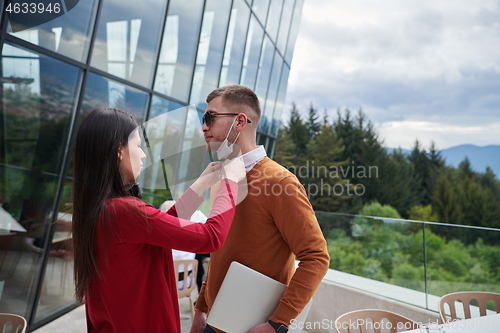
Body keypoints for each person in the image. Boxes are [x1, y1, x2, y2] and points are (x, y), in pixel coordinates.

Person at [72, 107, 245, 333]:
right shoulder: (124, 211)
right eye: (138, 146)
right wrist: (230, 183)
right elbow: (211, 237)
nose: (143, 154)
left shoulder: (100, 208)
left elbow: (162, 227)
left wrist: (202, 183)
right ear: (118, 151)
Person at [190, 85, 330, 333]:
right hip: (213, 321)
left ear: (240, 122)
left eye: (210, 117)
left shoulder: (280, 182)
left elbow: (316, 257)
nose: (204, 126)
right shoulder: (222, 179)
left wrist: (278, 323)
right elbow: (221, 249)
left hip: (253, 327)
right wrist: (201, 307)